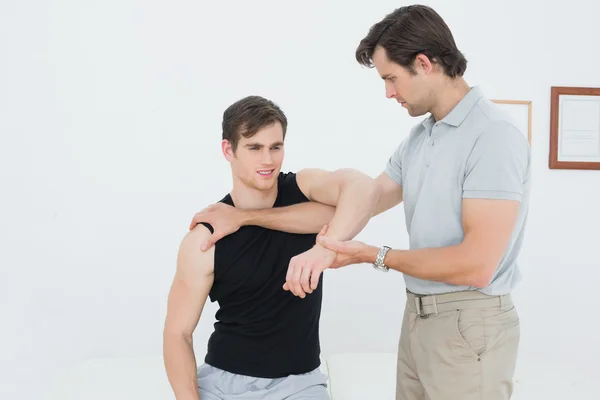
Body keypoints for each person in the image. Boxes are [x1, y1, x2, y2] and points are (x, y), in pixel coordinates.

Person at [189, 5, 531, 400]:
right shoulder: (422, 137)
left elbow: (477, 264)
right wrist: (246, 217)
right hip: (420, 316)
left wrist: (372, 254)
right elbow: (363, 199)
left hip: (470, 319)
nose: (388, 92)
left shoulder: (492, 136)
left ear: (423, 63)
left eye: (391, 78)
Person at [162, 95, 380, 400]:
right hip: (225, 385)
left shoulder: (304, 191)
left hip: (300, 384)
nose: (268, 160)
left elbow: (364, 188)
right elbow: (177, 333)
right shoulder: (205, 238)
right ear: (229, 150)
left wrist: (325, 248)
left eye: (275, 147)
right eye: (254, 148)